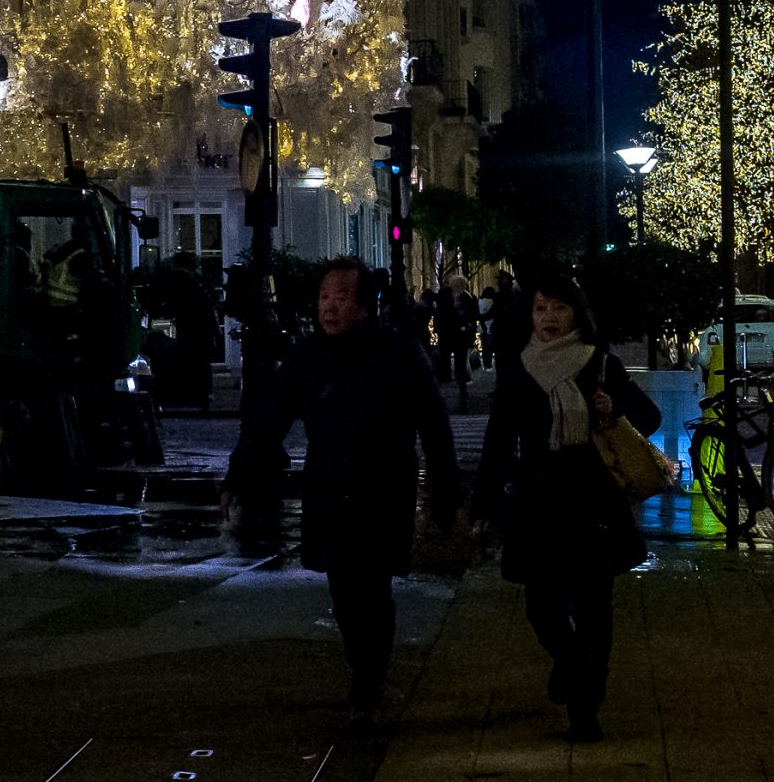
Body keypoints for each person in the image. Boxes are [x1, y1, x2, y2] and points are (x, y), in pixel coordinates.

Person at [235, 258, 460, 719]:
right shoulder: (308, 356)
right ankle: (363, 664)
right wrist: (239, 475)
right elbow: (268, 420)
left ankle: (370, 676)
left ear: (364, 306)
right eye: (324, 297)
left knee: (372, 586)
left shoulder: (397, 351)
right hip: (328, 485)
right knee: (343, 589)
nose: (329, 307)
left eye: (341, 298)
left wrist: (445, 489)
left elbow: (433, 423)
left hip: (384, 487)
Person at [479, 268, 659, 744]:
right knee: (542, 607)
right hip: (538, 505)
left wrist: (612, 409)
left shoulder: (598, 363)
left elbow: (650, 417)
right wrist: (482, 503)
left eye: (559, 308)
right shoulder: (519, 366)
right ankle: (568, 661)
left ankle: (586, 708)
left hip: (592, 504)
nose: (549, 318)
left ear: (577, 314)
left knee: (595, 609)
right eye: (541, 308)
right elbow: (500, 437)